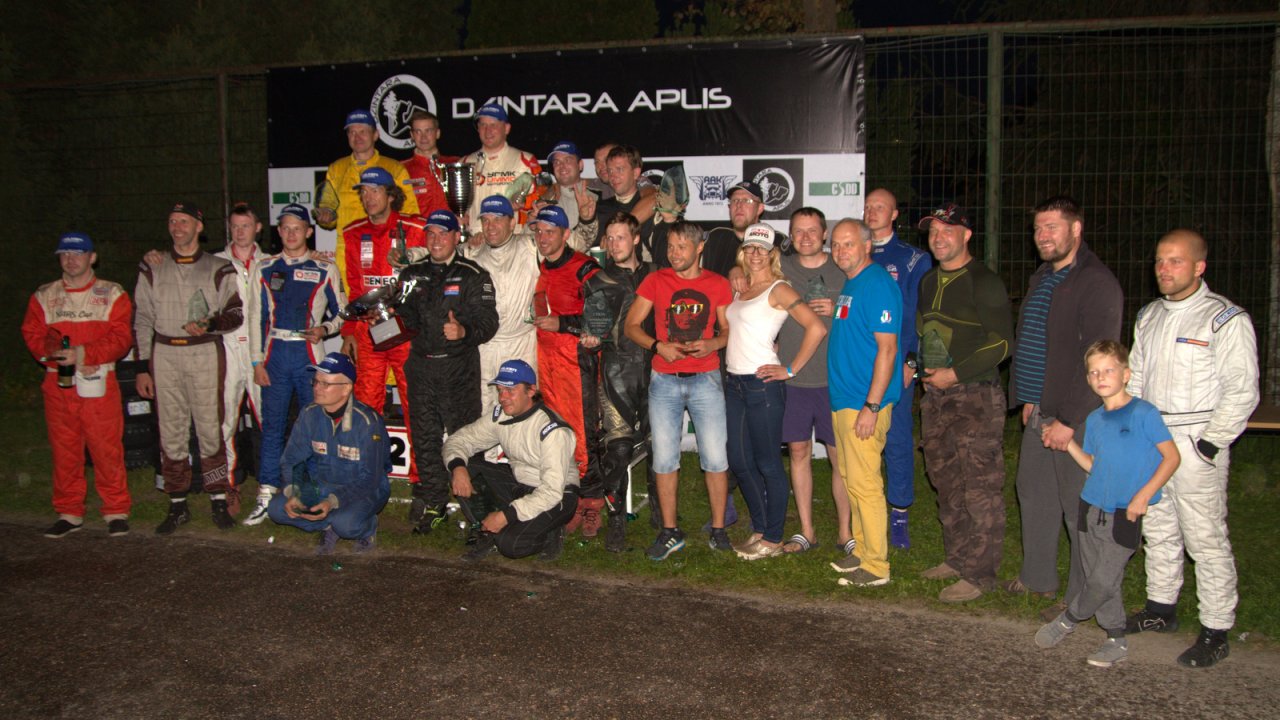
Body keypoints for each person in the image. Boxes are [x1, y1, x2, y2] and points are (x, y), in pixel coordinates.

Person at [1123, 229, 1260, 668]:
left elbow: (1242, 390)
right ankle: (1160, 609)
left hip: (1195, 442)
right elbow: (1136, 378)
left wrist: (1209, 445)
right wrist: (1134, 431)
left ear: (1199, 267)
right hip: (1154, 439)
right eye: (1159, 260)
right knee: (1158, 527)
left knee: (1205, 538)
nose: (1164, 269)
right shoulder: (1149, 315)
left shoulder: (1224, 319)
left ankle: (1216, 629)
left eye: (1175, 261)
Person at [1006, 197, 1123, 619]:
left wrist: (1070, 420)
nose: (1043, 236)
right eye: (1038, 228)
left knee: (1078, 504)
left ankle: (1080, 595)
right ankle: (1038, 577)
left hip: (1078, 415)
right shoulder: (1044, 277)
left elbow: (1098, 362)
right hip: (1042, 407)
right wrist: (1029, 396)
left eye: (1052, 227)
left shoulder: (1095, 282)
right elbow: (1038, 341)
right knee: (1034, 491)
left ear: (1076, 229)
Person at [1034, 340, 1179, 669]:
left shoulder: (1144, 413)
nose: (1100, 377)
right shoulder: (1095, 419)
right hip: (1091, 507)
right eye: (1094, 372)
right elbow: (1093, 465)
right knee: (1101, 580)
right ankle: (1116, 639)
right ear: (1088, 379)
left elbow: (1171, 458)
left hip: (1125, 512)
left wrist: (1143, 496)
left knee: (1101, 581)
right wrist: (1069, 444)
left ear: (1125, 374)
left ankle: (1068, 620)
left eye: (1108, 370)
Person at [914, 204, 1014, 603]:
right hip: (936, 398)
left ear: (967, 235)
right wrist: (918, 366)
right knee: (946, 481)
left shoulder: (983, 281)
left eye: (947, 230)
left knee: (980, 487)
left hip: (975, 397)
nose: (938, 238)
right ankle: (957, 558)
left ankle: (980, 573)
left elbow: (1002, 343)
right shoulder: (928, 281)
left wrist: (954, 374)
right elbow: (924, 332)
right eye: (933, 231)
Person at [624, 221, 734, 559]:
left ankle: (719, 529)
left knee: (715, 458)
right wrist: (658, 346)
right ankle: (669, 531)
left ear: (699, 248)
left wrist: (713, 343)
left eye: (681, 247)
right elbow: (631, 326)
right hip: (664, 381)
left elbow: (729, 329)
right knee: (664, 459)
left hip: (706, 379)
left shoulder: (717, 284)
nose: (674, 253)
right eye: (670, 247)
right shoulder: (656, 280)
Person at [134, 201, 244, 534]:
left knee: (210, 428)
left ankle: (218, 500)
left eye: (184, 221)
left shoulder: (217, 267)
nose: (177, 227)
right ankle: (177, 503)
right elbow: (142, 319)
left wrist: (211, 323)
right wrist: (142, 367)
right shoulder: (153, 266)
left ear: (199, 226)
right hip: (165, 353)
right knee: (171, 431)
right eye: (172, 221)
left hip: (204, 353)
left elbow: (235, 313)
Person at [724, 224, 826, 560]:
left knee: (768, 463)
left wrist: (791, 369)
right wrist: (735, 272)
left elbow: (816, 327)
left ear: (772, 254)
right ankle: (760, 528)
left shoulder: (779, 289)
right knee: (740, 460)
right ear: (744, 252)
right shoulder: (742, 287)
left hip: (762, 385)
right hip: (734, 383)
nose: (755, 254)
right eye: (750, 248)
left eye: (762, 249)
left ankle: (773, 537)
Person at [22, 233, 134, 538]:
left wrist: (85, 353)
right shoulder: (44, 295)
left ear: (92, 257)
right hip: (58, 382)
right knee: (65, 449)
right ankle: (69, 512)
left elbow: (121, 338)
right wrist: (53, 353)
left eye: (78, 254)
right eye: (65, 254)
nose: (71, 260)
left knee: (106, 448)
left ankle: (116, 510)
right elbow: (33, 334)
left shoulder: (112, 293)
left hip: (98, 381)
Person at [241, 204, 346, 526]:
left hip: (309, 355)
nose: (290, 233)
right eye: (285, 227)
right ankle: (266, 490)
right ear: (278, 231)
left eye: (297, 228)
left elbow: (342, 313)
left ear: (308, 231)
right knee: (272, 426)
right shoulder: (265, 268)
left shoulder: (325, 268)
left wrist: (324, 329)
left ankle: (315, 490)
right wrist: (257, 362)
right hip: (275, 355)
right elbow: (256, 318)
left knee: (315, 426)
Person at [397, 209, 498, 534]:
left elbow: (489, 322)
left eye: (443, 233)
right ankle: (435, 503)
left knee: (466, 438)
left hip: (458, 369)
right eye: (431, 234)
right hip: (421, 366)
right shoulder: (411, 274)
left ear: (457, 237)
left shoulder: (474, 274)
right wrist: (383, 322)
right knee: (425, 438)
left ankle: (478, 512)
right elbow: (404, 319)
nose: (436, 240)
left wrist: (464, 331)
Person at [339, 167, 427, 491]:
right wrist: (349, 331)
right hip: (368, 331)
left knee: (415, 404)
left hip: (406, 331)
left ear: (391, 195)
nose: (368, 197)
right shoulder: (353, 233)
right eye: (364, 192)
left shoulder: (414, 229)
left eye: (375, 191)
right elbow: (353, 286)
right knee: (366, 405)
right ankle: (367, 473)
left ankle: (420, 478)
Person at [442, 360, 580, 562]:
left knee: (510, 545)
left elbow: (551, 491)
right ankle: (487, 531)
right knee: (463, 467)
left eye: (510, 390)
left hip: (557, 495)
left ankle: (551, 533)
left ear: (531, 391)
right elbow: (459, 440)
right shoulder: (501, 415)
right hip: (520, 483)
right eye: (500, 390)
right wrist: (458, 468)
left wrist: (506, 515)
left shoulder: (553, 430)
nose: (503, 397)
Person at [826, 218, 901, 587]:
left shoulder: (878, 284)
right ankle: (861, 551)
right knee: (851, 479)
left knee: (866, 483)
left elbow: (888, 350)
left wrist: (872, 406)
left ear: (867, 245)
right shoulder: (852, 283)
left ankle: (876, 566)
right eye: (836, 244)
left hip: (863, 403)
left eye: (849, 244)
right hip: (845, 400)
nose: (841, 251)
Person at [777, 207, 852, 557]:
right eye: (798, 231)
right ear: (790, 235)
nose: (805, 237)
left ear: (824, 234)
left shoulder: (843, 267)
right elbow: (745, 269)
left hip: (834, 379)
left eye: (812, 231)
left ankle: (845, 532)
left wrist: (837, 308)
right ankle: (806, 530)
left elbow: (864, 312)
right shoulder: (781, 267)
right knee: (798, 452)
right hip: (793, 380)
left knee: (840, 457)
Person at [580, 212, 655, 552]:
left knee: (659, 446)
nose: (613, 244)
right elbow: (592, 327)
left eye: (620, 237)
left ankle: (661, 515)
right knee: (618, 449)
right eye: (609, 238)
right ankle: (616, 521)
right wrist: (591, 338)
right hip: (616, 373)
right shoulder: (597, 281)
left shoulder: (657, 274)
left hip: (657, 370)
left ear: (636, 239)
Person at [267, 352, 391, 555]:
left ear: (346, 388)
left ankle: (365, 527)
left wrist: (331, 502)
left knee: (347, 525)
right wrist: (296, 492)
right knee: (276, 509)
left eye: (325, 384)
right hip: (324, 484)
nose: (317, 388)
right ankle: (328, 525)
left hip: (366, 488)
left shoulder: (367, 422)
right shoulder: (309, 414)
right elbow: (291, 461)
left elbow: (371, 478)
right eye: (316, 382)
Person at [865, 188, 933, 548]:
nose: (872, 212)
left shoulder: (912, 259)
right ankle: (866, 505)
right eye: (868, 206)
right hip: (859, 361)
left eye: (881, 207)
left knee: (897, 435)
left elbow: (923, 315)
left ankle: (899, 512)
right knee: (858, 435)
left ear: (894, 215)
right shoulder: (852, 253)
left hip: (896, 362)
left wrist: (912, 361)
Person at [532, 205, 605, 531]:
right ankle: (570, 498)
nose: (543, 237)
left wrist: (562, 323)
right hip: (545, 360)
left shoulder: (584, 267)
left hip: (576, 361)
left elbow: (602, 315)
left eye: (550, 231)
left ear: (565, 234)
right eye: (538, 231)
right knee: (557, 434)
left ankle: (593, 502)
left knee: (583, 434)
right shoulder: (539, 266)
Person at [314, 109, 419, 291]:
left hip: (385, 250)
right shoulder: (336, 169)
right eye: (352, 132)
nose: (357, 137)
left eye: (363, 131)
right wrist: (326, 218)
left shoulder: (394, 168)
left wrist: (402, 250)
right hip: (348, 252)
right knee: (348, 301)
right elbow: (328, 214)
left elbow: (410, 214)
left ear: (375, 135)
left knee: (387, 302)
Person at [210, 202, 267, 494]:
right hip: (227, 346)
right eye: (234, 226)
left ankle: (271, 483)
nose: (240, 232)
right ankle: (226, 486)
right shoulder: (213, 262)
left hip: (261, 349)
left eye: (245, 226)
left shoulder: (271, 261)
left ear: (257, 228)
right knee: (225, 420)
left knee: (269, 417)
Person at [462, 103, 542, 232]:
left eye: (493, 125)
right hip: (476, 238)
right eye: (483, 125)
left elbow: (542, 198)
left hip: (514, 238)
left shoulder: (525, 160)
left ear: (506, 128)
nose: (488, 130)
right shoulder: (465, 163)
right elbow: (458, 208)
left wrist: (525, 203)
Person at [534, 140, 600, 249]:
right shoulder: (544, 200)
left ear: (580, 165)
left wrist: (586, 218)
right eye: (557, 162)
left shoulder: (598, 196)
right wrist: (532, 225)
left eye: (568, 160)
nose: (562, 166)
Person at [593, 144, 657, 250]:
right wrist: (585, 219)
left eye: (619, 169)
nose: (613, 176)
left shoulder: (648, 208)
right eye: (610, 171)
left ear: (635, 173)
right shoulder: (600, 207)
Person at [699, 181, 765, 279]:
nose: (739, 205)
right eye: (735, 200)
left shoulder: (775, 241)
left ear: (759, 208)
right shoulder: (714, 238)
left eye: (747, 201)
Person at [401, 110, 457, 217]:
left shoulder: (456, 164)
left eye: (428, 131)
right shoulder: (401, 169)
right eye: (418, 132)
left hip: (450, 226)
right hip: (417, 227)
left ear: (437, 133)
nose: (423, 137)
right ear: (412, 135)